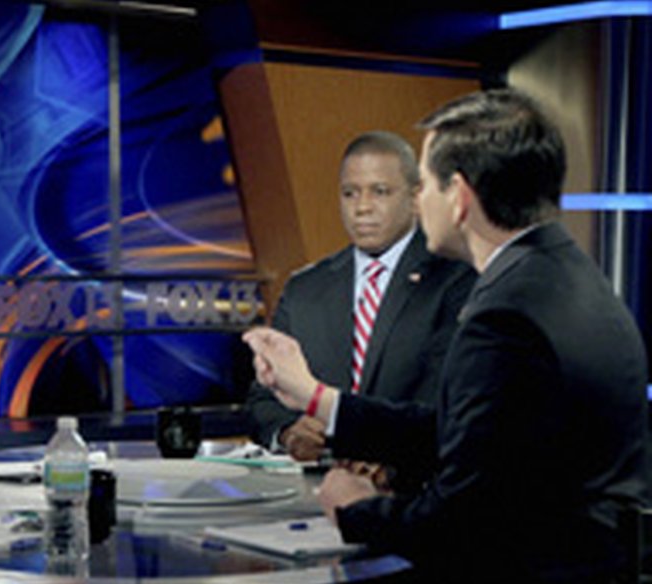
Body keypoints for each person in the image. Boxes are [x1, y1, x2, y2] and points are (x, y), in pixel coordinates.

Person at [245, 88, 649, 582]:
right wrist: (318, 399)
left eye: (424, 185)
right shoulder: (563, 274)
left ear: (458, 197)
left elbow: (464, 524)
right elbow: (464, 436)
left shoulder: (507, 316)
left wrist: (355, 510)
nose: (419, 200)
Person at [246, 131, 475, 467]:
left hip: (409, 491)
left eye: (380, 192)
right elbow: (262, 398)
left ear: (415, 198)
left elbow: (444, 406)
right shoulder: (305, 288)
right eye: (350, 194)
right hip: (312, 494)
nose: (363, 207)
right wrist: (287, 431)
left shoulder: (456, 280)